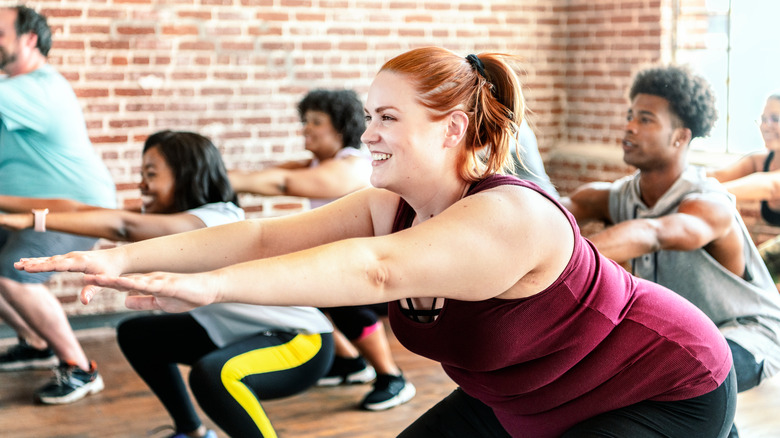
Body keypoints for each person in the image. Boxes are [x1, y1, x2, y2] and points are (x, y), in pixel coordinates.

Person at [18, 48, 737, 438]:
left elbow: (375, 270)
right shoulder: (388, 204)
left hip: (657, 386)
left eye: (387, 117)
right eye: (369, 116)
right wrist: (122, 258)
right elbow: (262, 234)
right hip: (527, 398)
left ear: (451, 129)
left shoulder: (512, 217)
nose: (368, 135)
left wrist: (207, 290)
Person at [1, 130, 334, 438]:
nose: (142, 185)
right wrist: (15, 212)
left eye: (151, 174)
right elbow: (81, 209)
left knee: (214, 375)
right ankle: (192, 433)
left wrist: (32, 221)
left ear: (186, 175)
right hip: (238, 333)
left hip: (299, 344)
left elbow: (121, 226)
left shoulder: (215, 219)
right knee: (138, 335)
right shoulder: (169, 222)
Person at [561, 65, 780, 437]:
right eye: (630, 116)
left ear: (680, 136)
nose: (629, 126)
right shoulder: (620, 196)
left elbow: (654, 232)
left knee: (673, 379)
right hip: (683, 338)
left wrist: (564, 262)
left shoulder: (709, 205)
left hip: (747, 334)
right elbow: (561, 209)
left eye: (645, 119)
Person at [230, 88, 415, 411]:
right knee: (300, 291)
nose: (306, 128)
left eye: (316, 122)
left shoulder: (353, 166)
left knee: (338, 300)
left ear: (341, 128)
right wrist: (218, 177)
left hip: (381, 268)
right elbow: (269, 175)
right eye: (305, 120)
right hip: (345, 261)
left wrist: (222, 180)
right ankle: (350, 363)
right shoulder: (317, 162)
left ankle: (393, 377)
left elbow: (282, 184)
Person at [0, 5, 117, 404]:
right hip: (31, 208)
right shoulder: (13, 93)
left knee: (11, 274)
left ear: (28, 39)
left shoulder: (36, 87)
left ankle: (80, 369)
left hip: (76, 209)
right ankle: (35, 343)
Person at [707, 91, 780, 281]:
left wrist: (712, 191)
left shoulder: (769, 176)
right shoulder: (760, 160)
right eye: (764, 119)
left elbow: (771, 184)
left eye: (775, 119)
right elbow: (717, 175)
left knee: (754, 275)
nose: (766, 126)